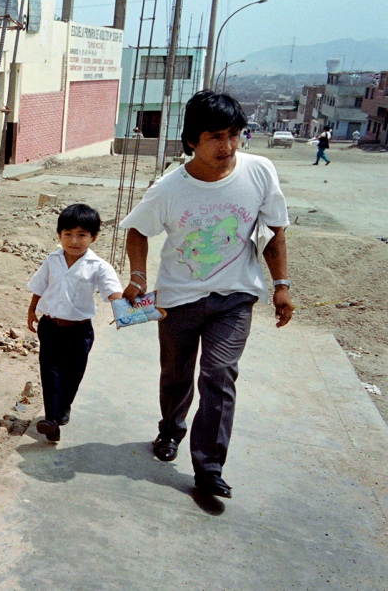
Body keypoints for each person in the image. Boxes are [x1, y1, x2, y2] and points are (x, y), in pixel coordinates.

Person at [120, 90, 293, 499]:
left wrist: (282, 286)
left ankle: (209, 468)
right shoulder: (168, 189)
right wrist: (140, 277)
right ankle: (170, 430)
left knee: (218, 374)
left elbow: (275, 232)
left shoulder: (260, 172)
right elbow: (137, 231)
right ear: (192, 140)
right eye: (216, 136)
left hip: (235, 298)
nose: (228, 146)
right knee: (177, 376)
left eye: (236, 134)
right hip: (179, 300)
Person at [26, 204, 124, 443]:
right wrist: (31, 310)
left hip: (79, 331)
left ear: (94, 237)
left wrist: (121, 308)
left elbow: (113, 291)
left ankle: (63, 407)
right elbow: (39, 286)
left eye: (82, 235)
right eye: (68, 234)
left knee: (72, 374)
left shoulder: (99, 266)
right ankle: (51, 421)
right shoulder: (51, 261)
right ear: (59, 235)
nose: (74, 241)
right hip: (49, 326)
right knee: (50, 372)